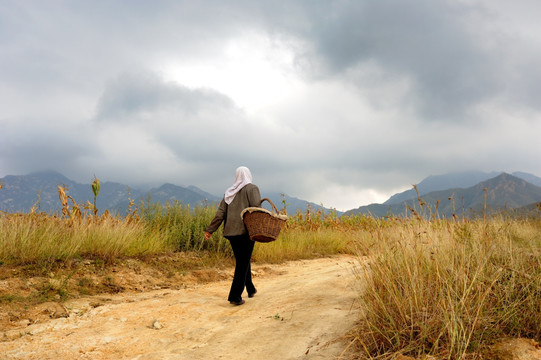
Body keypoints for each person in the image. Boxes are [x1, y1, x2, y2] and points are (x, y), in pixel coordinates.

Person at [204, 166, 261, 305]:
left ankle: (251, 289)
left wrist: (210, 230)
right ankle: (235, 296)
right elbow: (257, 210)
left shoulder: (229, 192)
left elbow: (220, 214)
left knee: (243, 260)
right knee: (242, 263)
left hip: (231, 233)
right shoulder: (252, 188)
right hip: (246, 232)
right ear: (248, 175)